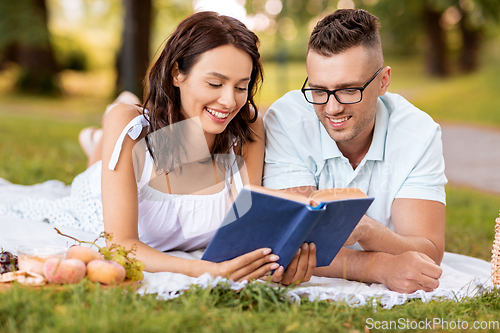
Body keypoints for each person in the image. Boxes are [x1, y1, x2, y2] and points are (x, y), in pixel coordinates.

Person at [73, 11, 315, 284]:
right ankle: (97, 140)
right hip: (94, 194)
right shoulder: (129, 126)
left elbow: (246, 230)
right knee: (103, 151)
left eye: (241, 87)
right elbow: (120, 247)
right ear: (177, 73)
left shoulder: (247, 127)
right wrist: (205, 270)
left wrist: (275, 265)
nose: (228, 101)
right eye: (215, 83)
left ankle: (97, 140)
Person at [263, 9, 447, 293]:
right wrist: (379, 267)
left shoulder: (418, 133)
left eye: (349, 90)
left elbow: (428, 251)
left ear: (383, 81)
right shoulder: (287, 121)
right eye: (319, 90)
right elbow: (288, 240)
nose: (332, 108)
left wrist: (366, 229)